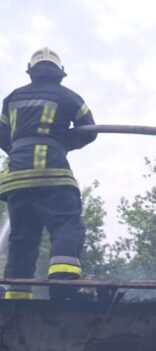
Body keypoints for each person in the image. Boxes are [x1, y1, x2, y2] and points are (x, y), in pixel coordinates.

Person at [0, 47, 97, 299]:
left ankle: (17, 297)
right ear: (59, 73)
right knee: (66, 224)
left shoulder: (11, 98)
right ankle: (63, 283)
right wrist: (61, 143)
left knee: (22, 238)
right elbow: (90, 131)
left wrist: (21, 149)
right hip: (52, 173)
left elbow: (2, 135)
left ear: (30, 72)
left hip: (16, 178)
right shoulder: (68, 97)